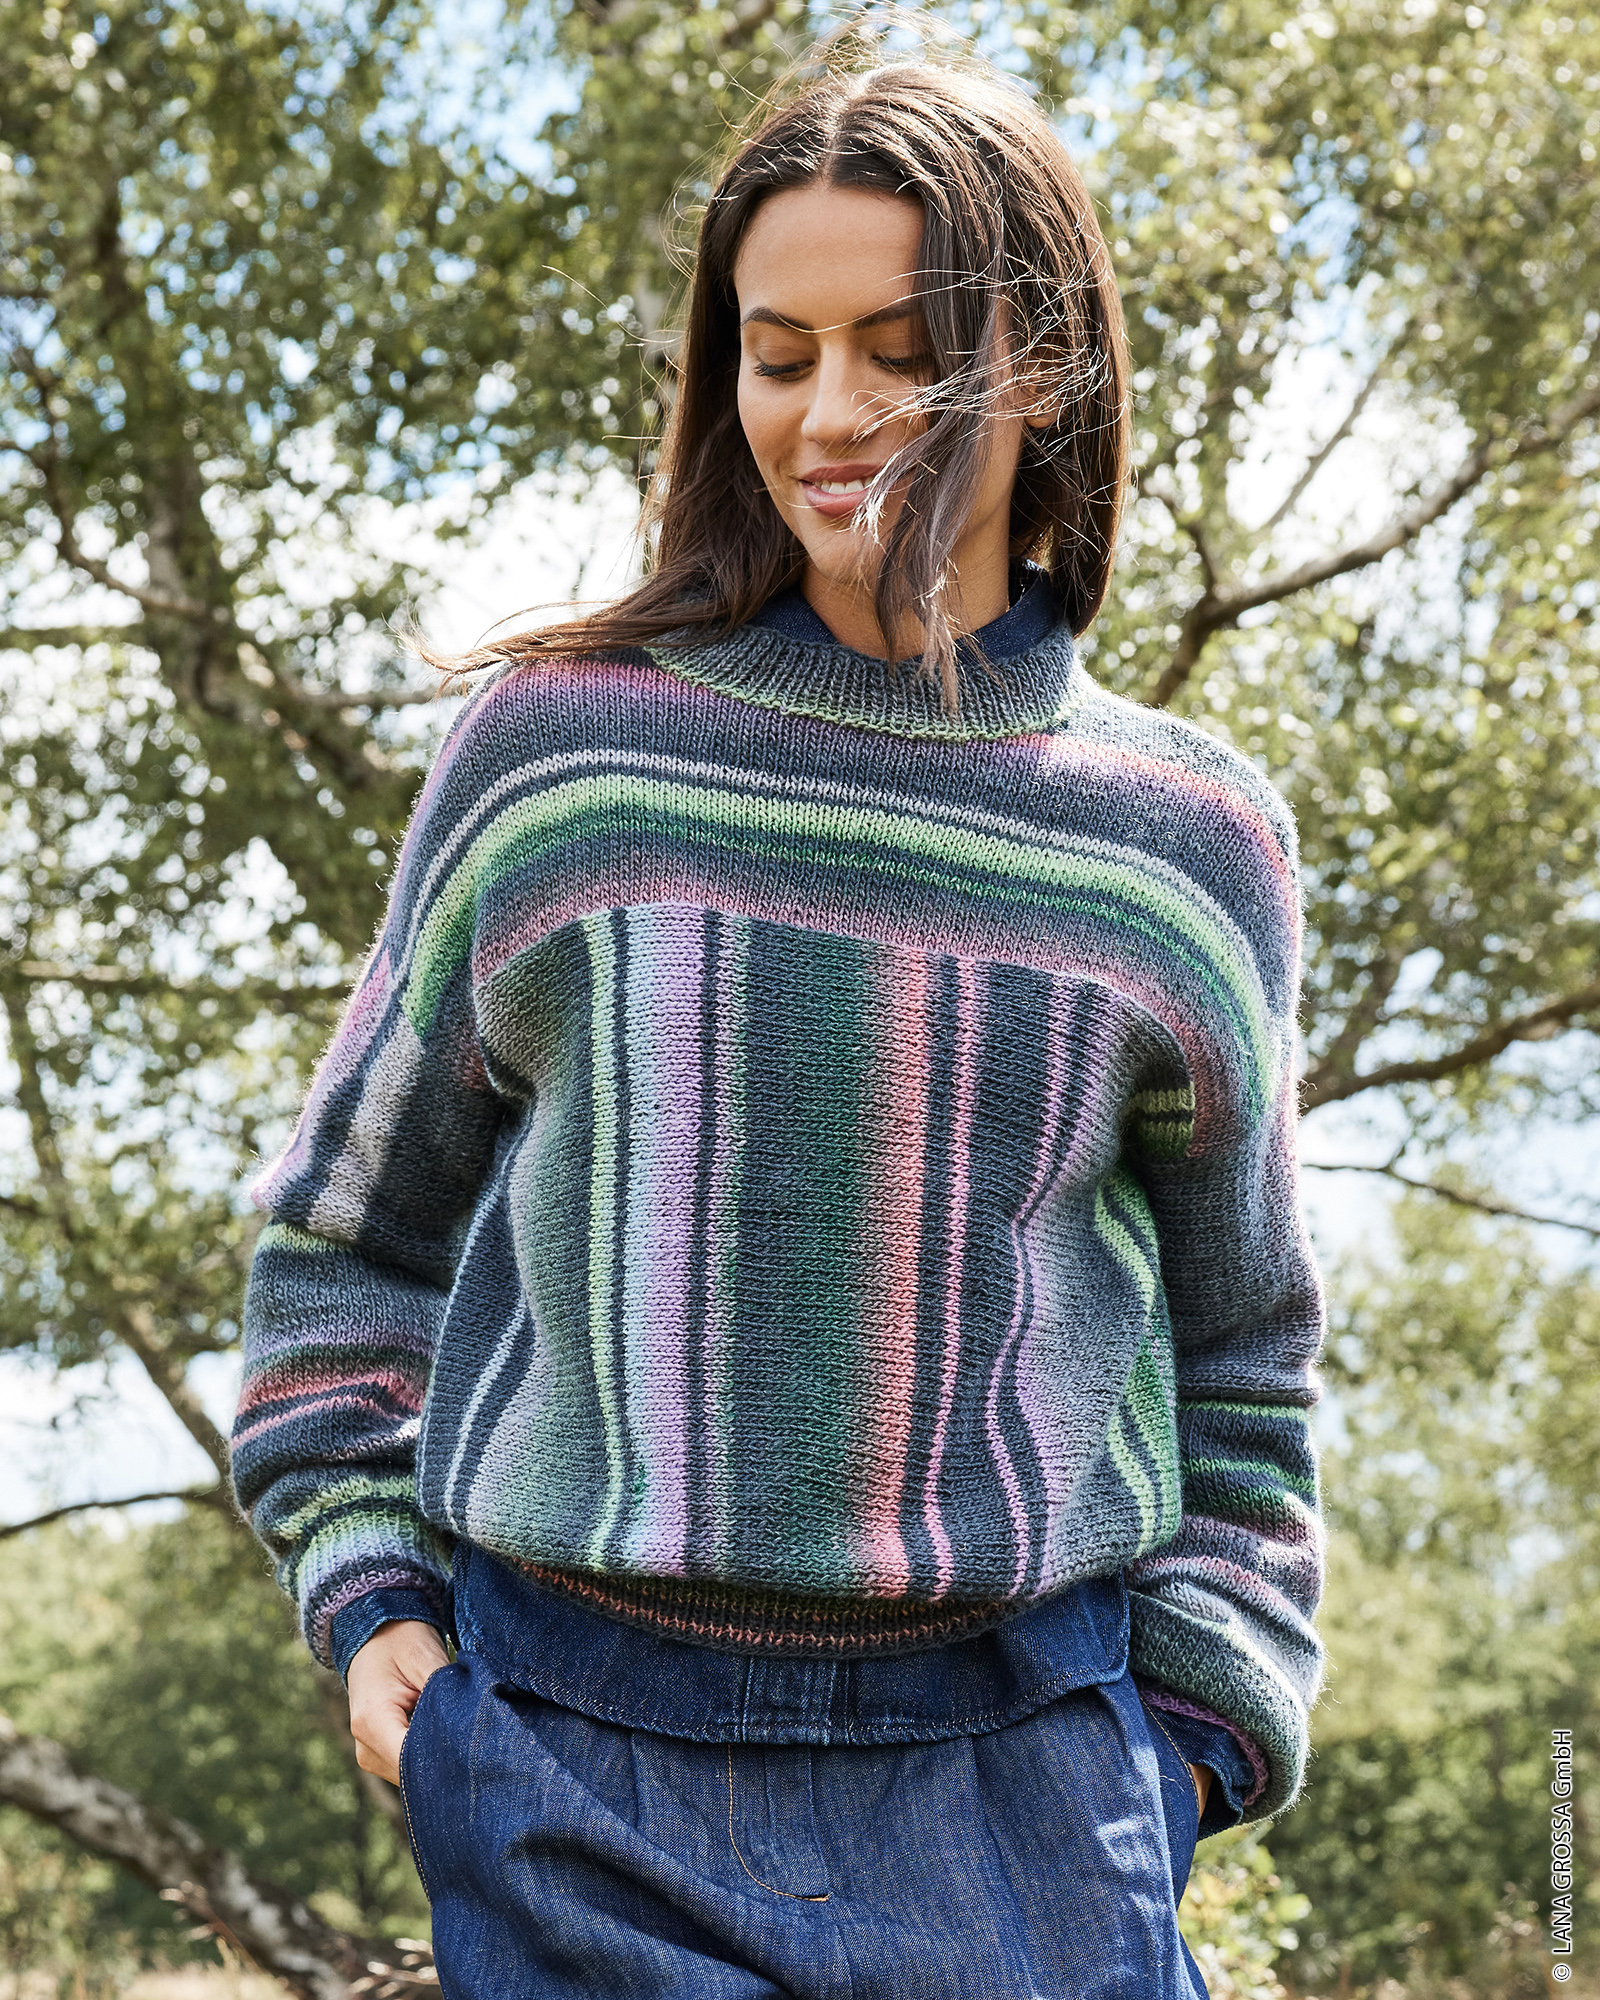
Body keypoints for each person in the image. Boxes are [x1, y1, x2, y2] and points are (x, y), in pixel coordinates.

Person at [232, 47, 1324, 2000]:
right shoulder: (560, 763)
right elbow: (345, 1246)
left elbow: (1243, 1347)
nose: (828, 415)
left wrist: (1191, 1739)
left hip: (1030, 1789)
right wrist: (370, 1593)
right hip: (571, 1772)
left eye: (905, 352)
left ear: (1044, 367)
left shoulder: (1185, 841)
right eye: (777, 352)